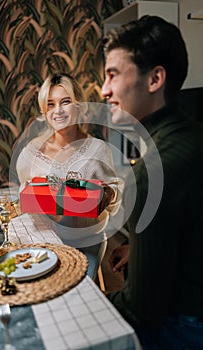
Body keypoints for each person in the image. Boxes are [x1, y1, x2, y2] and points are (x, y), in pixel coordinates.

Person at [101, 15, 203, 349]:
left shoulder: (149, 173)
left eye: (113, 74)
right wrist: (144, 249)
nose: (104, 90)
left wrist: (84, 299)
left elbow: (140, 310)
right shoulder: (193, 134)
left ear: (155, 78)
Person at [16, 72, 122, 279]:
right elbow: (23, 190)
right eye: (51, 104)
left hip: (85, 241)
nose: (58, 111)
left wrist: (102, 194)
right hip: (43, 242)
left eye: (65, 102)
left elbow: (114, 199)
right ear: (44, 111)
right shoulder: (32, 151)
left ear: (79, 107)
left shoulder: (97, 150)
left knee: (75, 288)